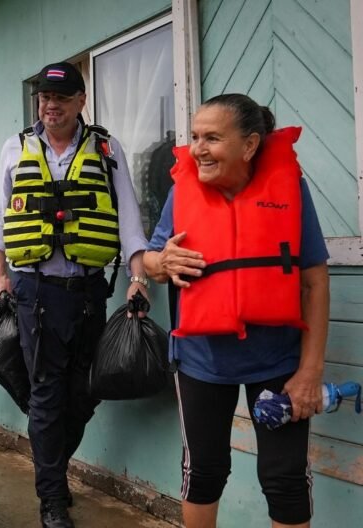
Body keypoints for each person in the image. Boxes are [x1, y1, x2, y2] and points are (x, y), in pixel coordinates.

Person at [143, 93, 329, 528]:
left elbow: (314, 281)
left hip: (278, 363)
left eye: (212, 138)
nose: (198, 149)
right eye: (194, 137)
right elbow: (151, 260)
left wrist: (310, 371)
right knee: (203, 473)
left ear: (249, 146)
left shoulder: (289, 188)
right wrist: (160, 263)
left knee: (285, 481)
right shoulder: (182, 193)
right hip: (202, 363)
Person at [0, 62, 149, 528]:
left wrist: (138, 277)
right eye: (43, 98)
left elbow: (129, 222)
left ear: (82, 101)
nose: (50, 106)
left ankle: (52, 469)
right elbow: (0, 223)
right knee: (46, 394)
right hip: (33, 289)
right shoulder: (15, 149)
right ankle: (53, 500)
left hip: (88, 291)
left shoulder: (105, 148)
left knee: (83, 393)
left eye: (60, 98)